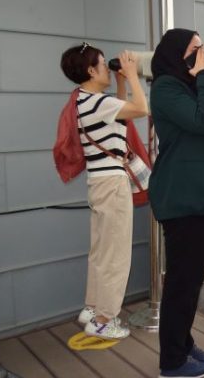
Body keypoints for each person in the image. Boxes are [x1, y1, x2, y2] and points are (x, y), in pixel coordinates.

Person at [148, 29, 204, 378]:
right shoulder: (166, 87)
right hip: (181, 197)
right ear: (176, 53)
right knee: (183, 280)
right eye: (195, 49)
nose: (201, 54)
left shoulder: (190, 84)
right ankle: (172, 361)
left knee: (190, 278)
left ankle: (182, 343)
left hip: (195, 196)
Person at [60, 42, 149, 340]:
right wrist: (134, 75)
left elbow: (119, 117)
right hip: (112, 186)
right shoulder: (99, 103)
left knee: (100, 251)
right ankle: (103, 319)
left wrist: (121, 79)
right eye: (102, 63)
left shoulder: (85, 101)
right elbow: (140, 109)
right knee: (116, 255)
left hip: (98, 184)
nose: (106, 68)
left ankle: (93, 307)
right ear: (91, 70)